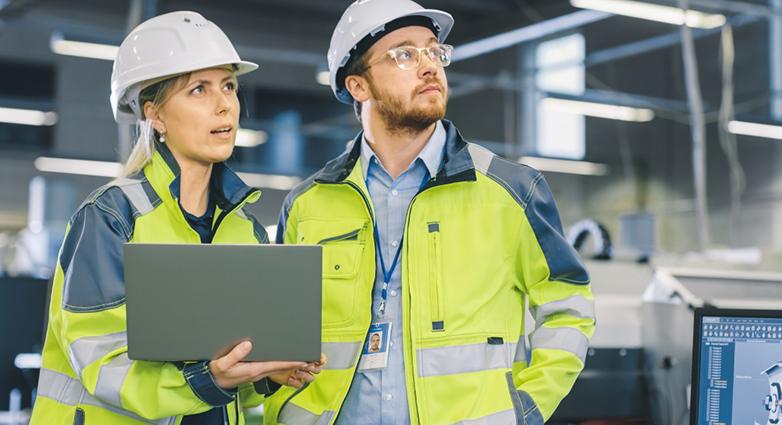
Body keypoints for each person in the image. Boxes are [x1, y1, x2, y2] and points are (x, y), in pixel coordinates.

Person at [266, 1, 595, 424]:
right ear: (358, 86)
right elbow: (278, 337)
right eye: (404, 54)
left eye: (435, 52)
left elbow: (569, 308)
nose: (429, 66)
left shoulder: (511, 191)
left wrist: (525, 410)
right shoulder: (309, 204)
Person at [30, 11, 322, 425]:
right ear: (156, 115)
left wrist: (265, 372)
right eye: (199, 90)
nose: (224, 105)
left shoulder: (246, 230)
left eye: (229, 87)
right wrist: (207, 381)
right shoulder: (112, 217)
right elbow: (103, 365)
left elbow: (231, 367)